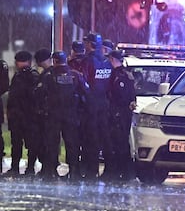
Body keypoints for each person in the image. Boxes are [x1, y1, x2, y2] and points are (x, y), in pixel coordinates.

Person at [36, 50, 89, 180]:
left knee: (52, 143)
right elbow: (86, 92)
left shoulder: (49, 75)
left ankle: (51, 171)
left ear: (54, 61)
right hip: (71, 115)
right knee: (72, 144)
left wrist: (42, 109)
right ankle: (74, 171)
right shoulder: (75, 75)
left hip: (53, 115)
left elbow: (39, 94)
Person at [79, 32, 112, 180]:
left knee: (90, 139)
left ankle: (91, 170)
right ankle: (109, 170)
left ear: (90, 44)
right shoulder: (106, 61)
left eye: (86, 42)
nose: (84, 45)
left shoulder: (87, 61)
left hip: (90, 106)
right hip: (104, 105)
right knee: (104, 138)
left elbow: (83, 82)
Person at [5, 50, 40, 177]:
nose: (17, 63)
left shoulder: (32, 76)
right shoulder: (19, 75)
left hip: (28, 116)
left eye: (19, 61)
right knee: (18, 144)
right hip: (18, 116)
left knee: (30, 144)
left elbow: (32, 96)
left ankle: (29, 169)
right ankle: (16, 168)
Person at [104, 49, 137, 182]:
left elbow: (122, 97)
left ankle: (122, 173)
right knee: (122, 143)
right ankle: (124, 172)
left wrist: (115, 112)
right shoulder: (127, 74)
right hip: (122, 114)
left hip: (119, 115)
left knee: (119, 144)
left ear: (112, 60)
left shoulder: (119, 76)